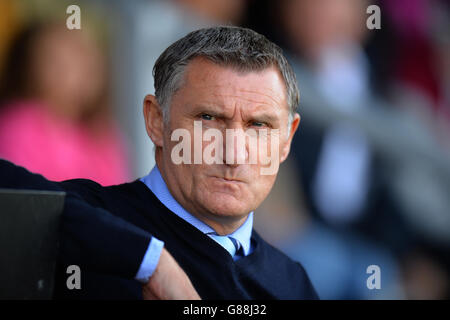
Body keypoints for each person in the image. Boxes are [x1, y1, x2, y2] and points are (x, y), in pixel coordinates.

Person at [0, 26, 318, 299]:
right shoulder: (86, 224)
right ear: (156, 121)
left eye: (258, 126)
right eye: (208, 119)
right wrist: (150, 260)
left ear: (287, 139)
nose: (233, 154)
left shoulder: (293, 282)